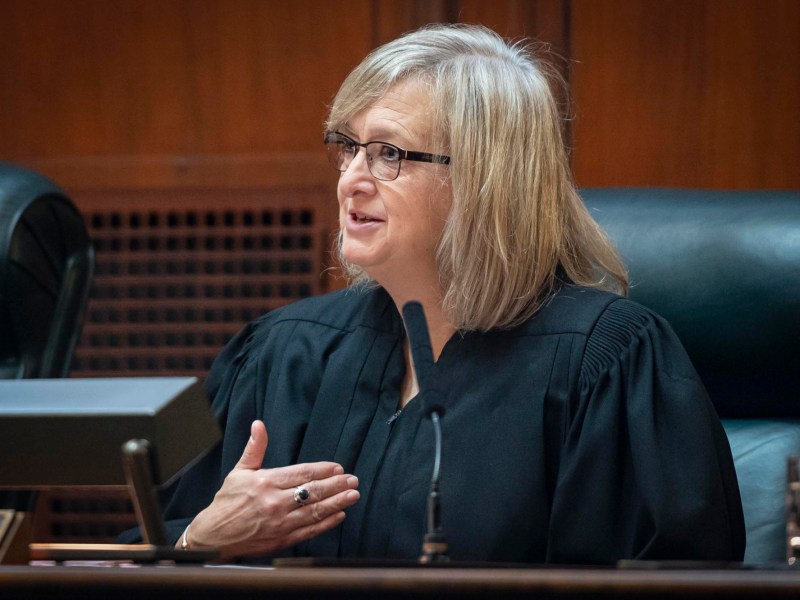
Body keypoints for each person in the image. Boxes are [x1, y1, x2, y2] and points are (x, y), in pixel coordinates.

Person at [145, 23, 745, 564]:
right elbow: (137, 556)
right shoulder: (279, 353)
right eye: (347, 147)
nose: (351, 178)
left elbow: (668, 580)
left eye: (388, 154)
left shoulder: (606, 364)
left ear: (485, 179)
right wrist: (199, 543)